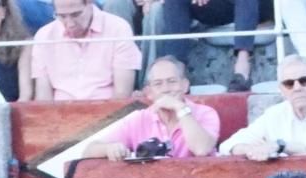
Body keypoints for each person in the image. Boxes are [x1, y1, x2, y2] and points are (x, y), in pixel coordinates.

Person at [80, 56, 219, 159]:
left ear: (185, 85)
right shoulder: (139, 119)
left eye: (172, 81)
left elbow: (201, 149)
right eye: (158, 84)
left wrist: (180, 108)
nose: (166, 89)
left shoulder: (206, 113)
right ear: (149, 93)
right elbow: (88, 150)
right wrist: (109, 149)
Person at [218, 55, 306, 158]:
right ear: (281, 89)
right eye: (289, 83)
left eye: (304, 81)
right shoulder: (273, 114)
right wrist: (251, 150)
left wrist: (279, 146)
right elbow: (227, 146)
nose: (297, 88)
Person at [31, 0, 140, 101]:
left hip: (108, 112)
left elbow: (122, 94)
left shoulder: (118, 28)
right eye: (62, 16)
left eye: (76, 15)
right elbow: (43, 97)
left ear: (89, 3)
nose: (70, 24)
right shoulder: (44, 36)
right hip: (60, 115)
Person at [156, 0, 268, 92]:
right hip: (218, 6)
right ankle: (176, 73)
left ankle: (242, 69)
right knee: (173, 2)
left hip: (256, 6)